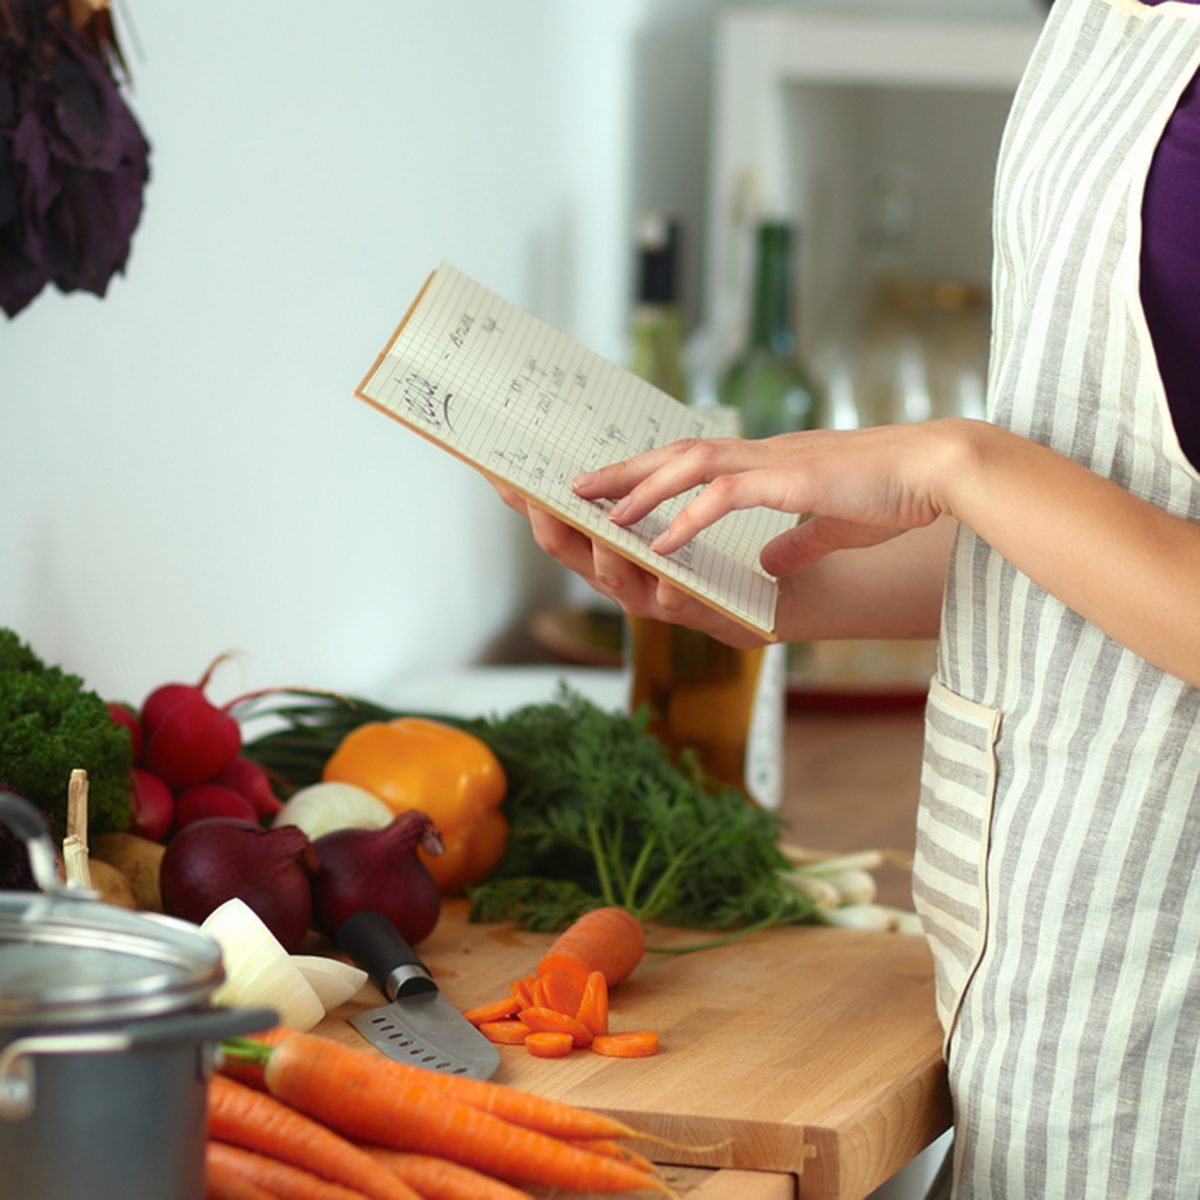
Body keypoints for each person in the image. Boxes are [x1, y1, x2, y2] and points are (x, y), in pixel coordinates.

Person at [493, 0, 1200, 1195]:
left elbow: (1014, 490)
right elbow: (1125, 504)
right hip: (1050, 930)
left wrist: (950, 463)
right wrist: (753, 574)